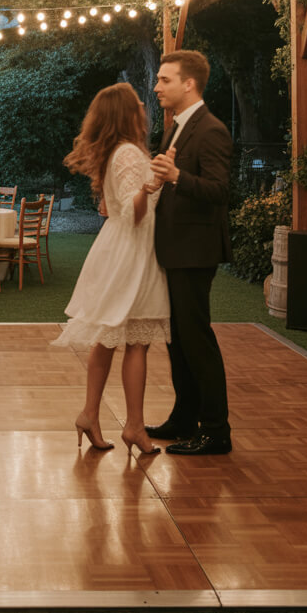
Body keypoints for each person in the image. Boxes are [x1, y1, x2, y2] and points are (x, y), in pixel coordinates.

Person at [53, 83, 170, 457]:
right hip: (133, 252)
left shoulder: (116, 152)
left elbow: (112, 206)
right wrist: (153, 186)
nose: (143, 105)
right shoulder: (130, 154)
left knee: (108, 335)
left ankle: (90, 414)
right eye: (136, 103)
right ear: (125, 113)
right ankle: (133, 426)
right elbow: (134, 212)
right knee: (136, 341)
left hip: (116, 248)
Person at [146, 49, 234, 456]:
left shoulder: (211, 129)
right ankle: (185, 418)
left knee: (196, 340)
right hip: (175, 248)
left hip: (195, 250)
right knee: (177, 339)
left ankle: (215, 431)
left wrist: (178, 176)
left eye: (165, 80)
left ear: (189, 84)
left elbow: (220, 191)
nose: (157, 86)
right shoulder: (178, 127)